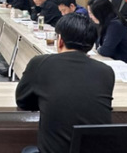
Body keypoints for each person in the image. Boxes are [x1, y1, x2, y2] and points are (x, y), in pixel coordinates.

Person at [16, 15, 114, 153]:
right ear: (91, 44)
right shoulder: (106, 71)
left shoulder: (40, 63)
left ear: (60, 40)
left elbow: (22, 102)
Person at [87, 0, 127, 68]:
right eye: (89, 13)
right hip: (112, 62)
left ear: (101, 13)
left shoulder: (115, 25)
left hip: (125, 66)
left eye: (92, 13)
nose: (90, 16)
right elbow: (97, 43)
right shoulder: (103, 22)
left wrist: (99, 48)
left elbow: (105, 51)